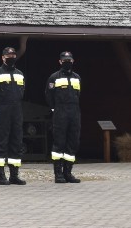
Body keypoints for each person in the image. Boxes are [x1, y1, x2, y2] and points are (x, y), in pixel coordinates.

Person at [0, 46, 26, 185]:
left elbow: (22, 91)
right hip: (2, 110)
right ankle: (0, 175)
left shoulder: (20, 74)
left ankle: (14, 175)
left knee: (16, 142)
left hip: (17, 110)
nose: (11, 58)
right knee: (1, 142)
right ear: (3, 57)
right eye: (8, 56)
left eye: (13, 56)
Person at [45, 51, 81, 184]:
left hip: (74, 112)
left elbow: (78, 94)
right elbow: (49, 95)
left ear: (73, 61)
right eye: (65, 60)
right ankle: (58, 174)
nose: (67, 62)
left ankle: (68, 173)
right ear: (60, 62)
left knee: (73, 142)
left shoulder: (77, 77)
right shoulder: (54, 77)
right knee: (59, 143)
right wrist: (55, 109)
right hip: (60, 112)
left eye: (69, 60)